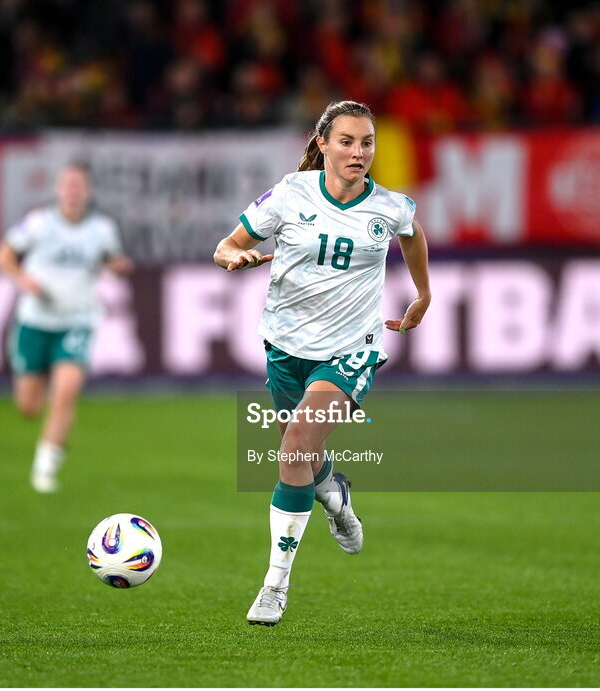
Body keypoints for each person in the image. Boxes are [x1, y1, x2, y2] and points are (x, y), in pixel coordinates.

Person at [213, 100, 431, 625]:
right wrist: (234, 258)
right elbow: (227, 243)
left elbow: (412, 234)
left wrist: (422, 293)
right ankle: (333, 493)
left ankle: (274, 585)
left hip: (352, 347)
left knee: (294, 445)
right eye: (348, 142)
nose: (359, 153)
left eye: (368, 143)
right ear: (323, 144)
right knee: (302, 459)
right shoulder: (290, 194)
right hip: (285, 346)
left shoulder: (390, 206)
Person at [0, 161, 133, 493]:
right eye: (67, 185)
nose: (72, 192)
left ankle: (45, 467)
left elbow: (111, 260)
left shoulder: (102, 228)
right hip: (36, 320)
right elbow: (3, 255)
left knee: (65, 394)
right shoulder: (38, 223)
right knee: (28, 406)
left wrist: (118, 267)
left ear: (88, 192)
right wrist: (23, 279)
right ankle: (50, 433)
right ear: (58, 190)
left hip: (78, 320)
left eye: (78, 186)